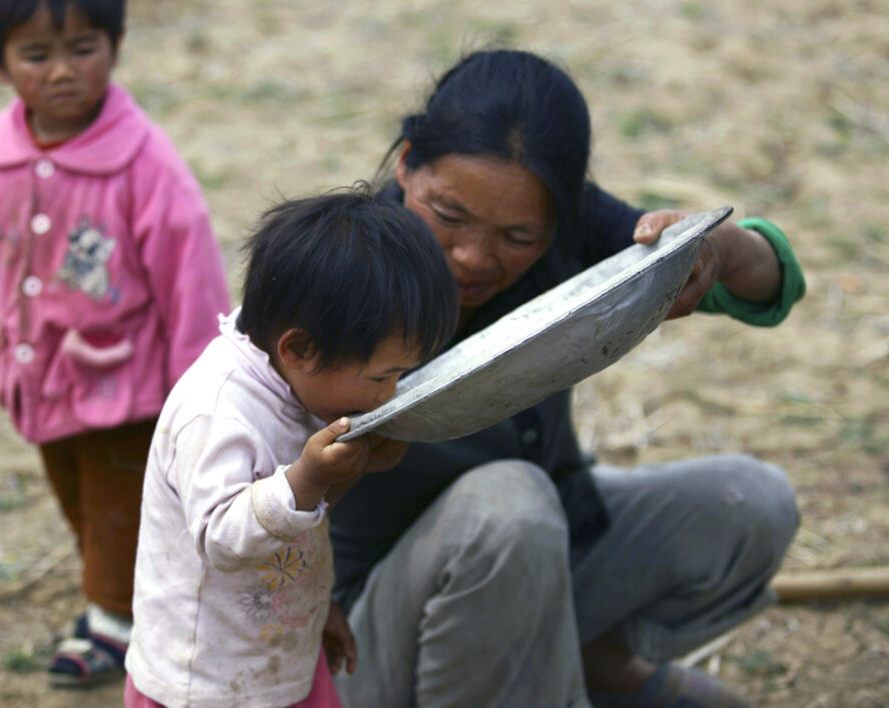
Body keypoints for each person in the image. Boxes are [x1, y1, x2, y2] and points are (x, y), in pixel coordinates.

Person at [329, 49, 807, 708]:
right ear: (408, 163)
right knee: (510, 508)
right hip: (363, 639)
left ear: (556, 218)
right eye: (448, 215)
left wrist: (714, 251)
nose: (474, 256)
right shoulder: (338, 269)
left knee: (751, 502)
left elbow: (770, 284)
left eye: (517, 236)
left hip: (536, 558)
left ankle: (591, 663)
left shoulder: (572, 229)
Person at [0, 0, 230, 687]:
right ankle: (126, 596)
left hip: (126, 385)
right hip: (37, 380)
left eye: (83, 47)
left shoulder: (145, 163)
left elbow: (192, 276)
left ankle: (118, 625)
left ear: (117, 43)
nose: (62, 71)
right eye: (36, 55)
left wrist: (203, 387)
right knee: (76, 497)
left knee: (119, 503)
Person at [124, 188, 459, 708]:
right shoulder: (216, 412)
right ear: (299, 348)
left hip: (277, 656)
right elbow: (220, 535)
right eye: (381, 376)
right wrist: (310, 476)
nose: (388, 394)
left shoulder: (298, 382)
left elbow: (289, 534)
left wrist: (310, 609)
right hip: (208, 682)